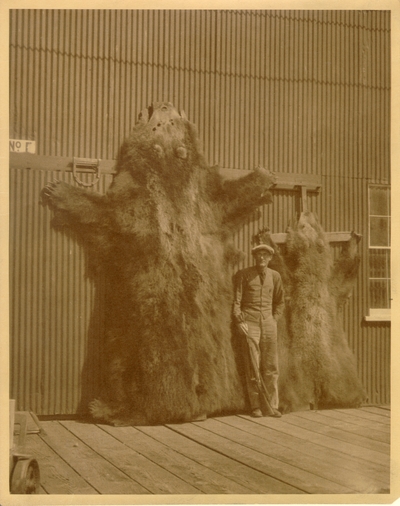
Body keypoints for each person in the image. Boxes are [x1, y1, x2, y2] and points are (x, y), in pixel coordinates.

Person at [232, 241, 284, 418]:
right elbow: (236, 303)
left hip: (269, 324)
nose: (261, 257)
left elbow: (280, 302)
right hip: (250, 324)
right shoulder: (244, 275)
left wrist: (274, 320)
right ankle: (256, 406)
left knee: (271, 366)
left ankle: (272, 406)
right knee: (253, 365)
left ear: (270, 258)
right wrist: (240, 321)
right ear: (254, 257)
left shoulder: (275, 276)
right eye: (258, 255)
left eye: (265, 255)